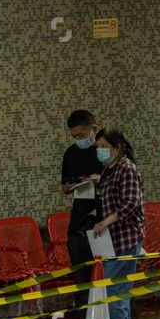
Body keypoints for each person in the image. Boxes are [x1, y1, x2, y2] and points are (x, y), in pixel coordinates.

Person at [90, 128, 144, 319]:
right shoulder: (109, 169)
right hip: (110, 241)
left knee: (116, 291)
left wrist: (107, 221)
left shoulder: (127, 169)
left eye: (103, 146)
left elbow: (131, 202)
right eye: (98, 147)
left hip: (124, 239)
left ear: (116, 148)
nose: (99, 151)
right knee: (112, 290)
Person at [61, 110, 101, 273]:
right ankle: (82, 299)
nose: (79, 139)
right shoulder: (71, 153)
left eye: (82, 135)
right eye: (75, 136)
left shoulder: (105, 151)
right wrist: (71, 186)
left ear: (94, 129)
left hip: (102, 214)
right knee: (80, 270)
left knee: (104, 272)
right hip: (79, 216)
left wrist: (99, 179)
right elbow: (65, 186)